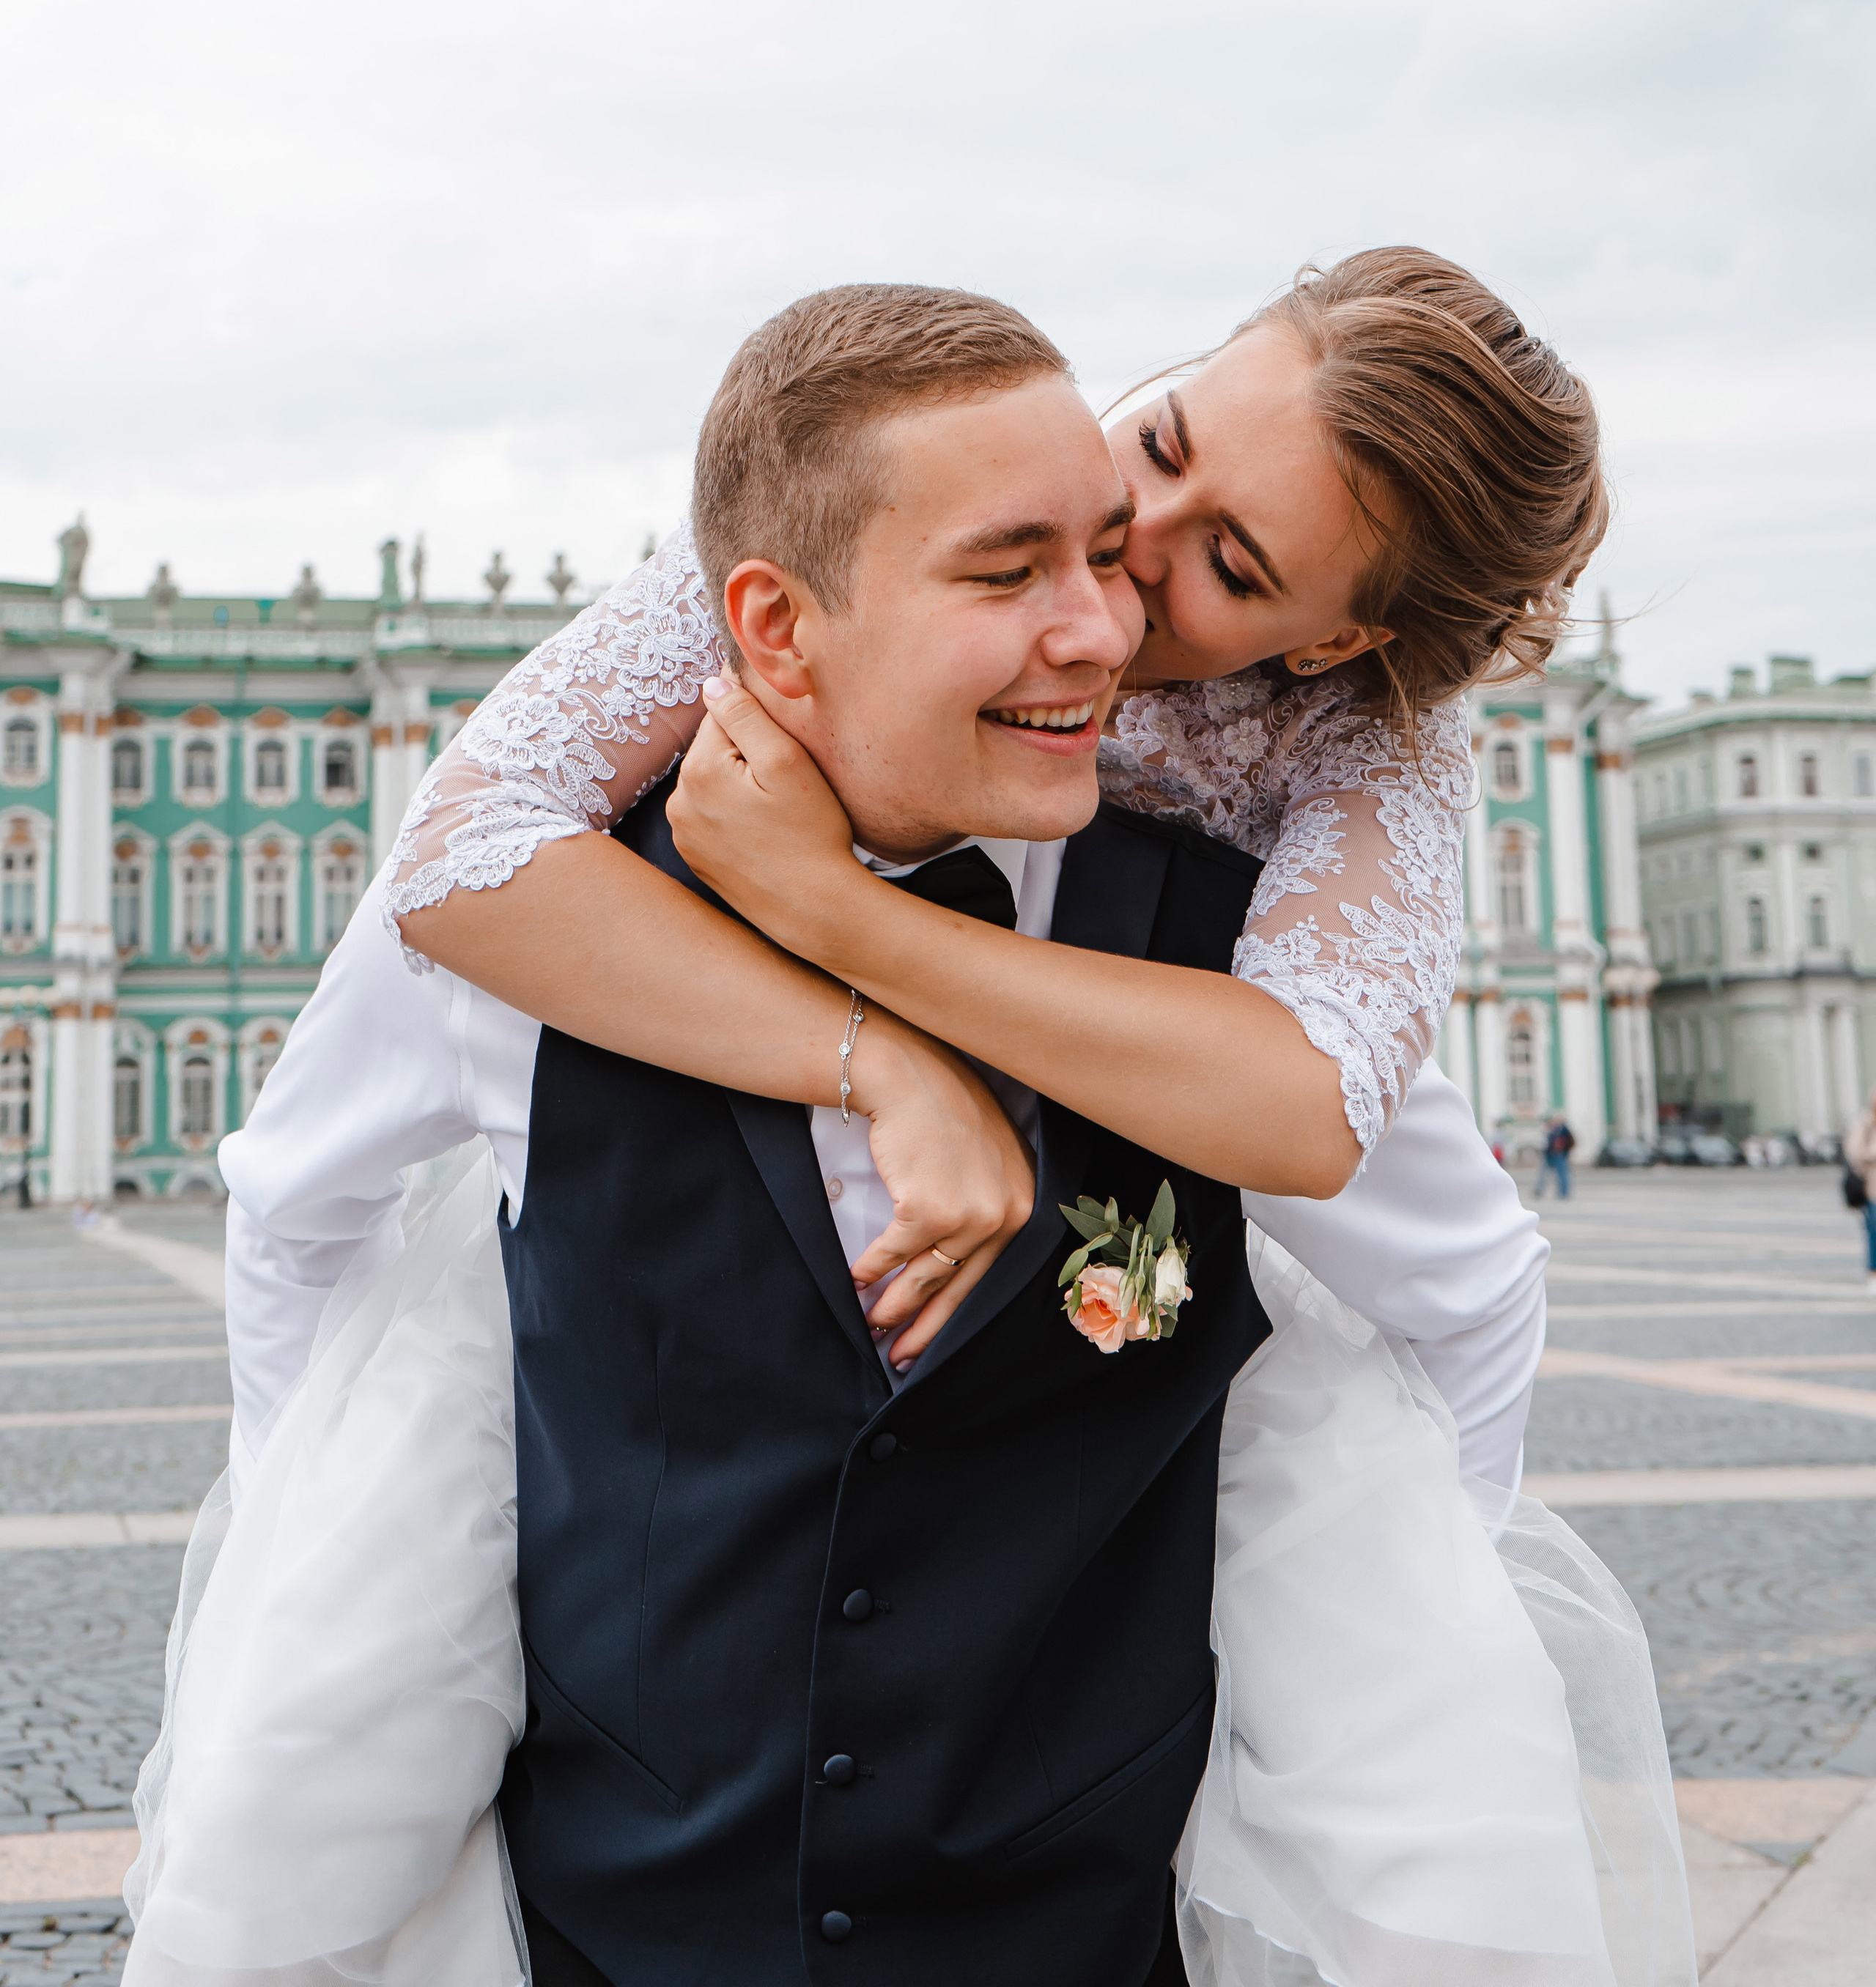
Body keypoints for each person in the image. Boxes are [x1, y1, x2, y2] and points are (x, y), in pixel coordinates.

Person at [131, 263, 1691, 1986]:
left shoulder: (1326, 805)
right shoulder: (694, 695)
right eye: (1153, 441)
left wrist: (1374, 1680)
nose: (1118, 565)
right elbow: (434, 909)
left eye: (1223, 561)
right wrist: (303, 1642)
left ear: (1327, 645)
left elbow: (1350, 1152)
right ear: (776, 621)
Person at [1845, 1090, 1876, 1295]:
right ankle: (1873, 1274)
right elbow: (1854, 1154)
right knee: (1874, 1234)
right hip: (1873, 1191)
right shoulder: (1865, 1125)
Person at [1535, 1114, 1577, 1202]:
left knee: (1562, 1175)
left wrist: (1566, 1152)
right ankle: (1539, 1190)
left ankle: (1563, 1193)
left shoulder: (1564, 1130)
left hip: (1560, 1155)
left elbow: (1571, 1141)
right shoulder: (1552, 1130)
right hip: (1549, 1155)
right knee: (1543, 1174)